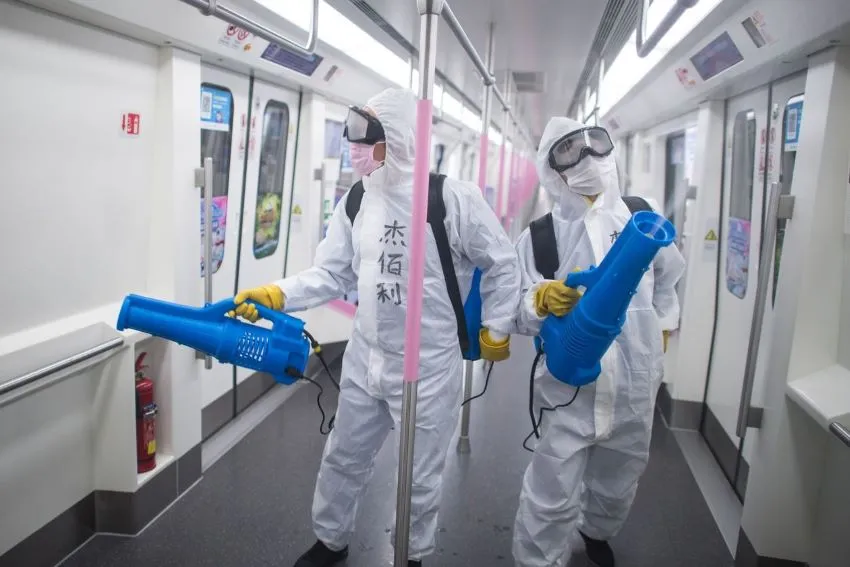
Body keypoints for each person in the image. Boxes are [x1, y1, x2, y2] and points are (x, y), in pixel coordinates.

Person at [232, 87, 521, 567]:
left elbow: (503, 262)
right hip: (367, 356)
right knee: (343, 455)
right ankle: (331, 540)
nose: (355, 148)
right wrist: (278, 294)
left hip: (427, 365)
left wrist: (497, 325)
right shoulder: (356, 201)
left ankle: (411, 553)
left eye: (366, 137)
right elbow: (333, 273)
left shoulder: (450, 199)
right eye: (352, 136)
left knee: (420, 474)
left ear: (400, 139)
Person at [511, 117, 685, 567]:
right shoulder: (540, 237)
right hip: (568, 390)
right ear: (553, 169)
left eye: (596, 145)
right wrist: (540, 299)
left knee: (622, 473)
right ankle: (537, 560)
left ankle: (598, 532)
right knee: (552, 486)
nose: (588, 158)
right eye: (570, 151)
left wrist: (662, 324)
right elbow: (513, 303)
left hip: (634, 382)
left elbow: (669, 278)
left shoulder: (640, 217)